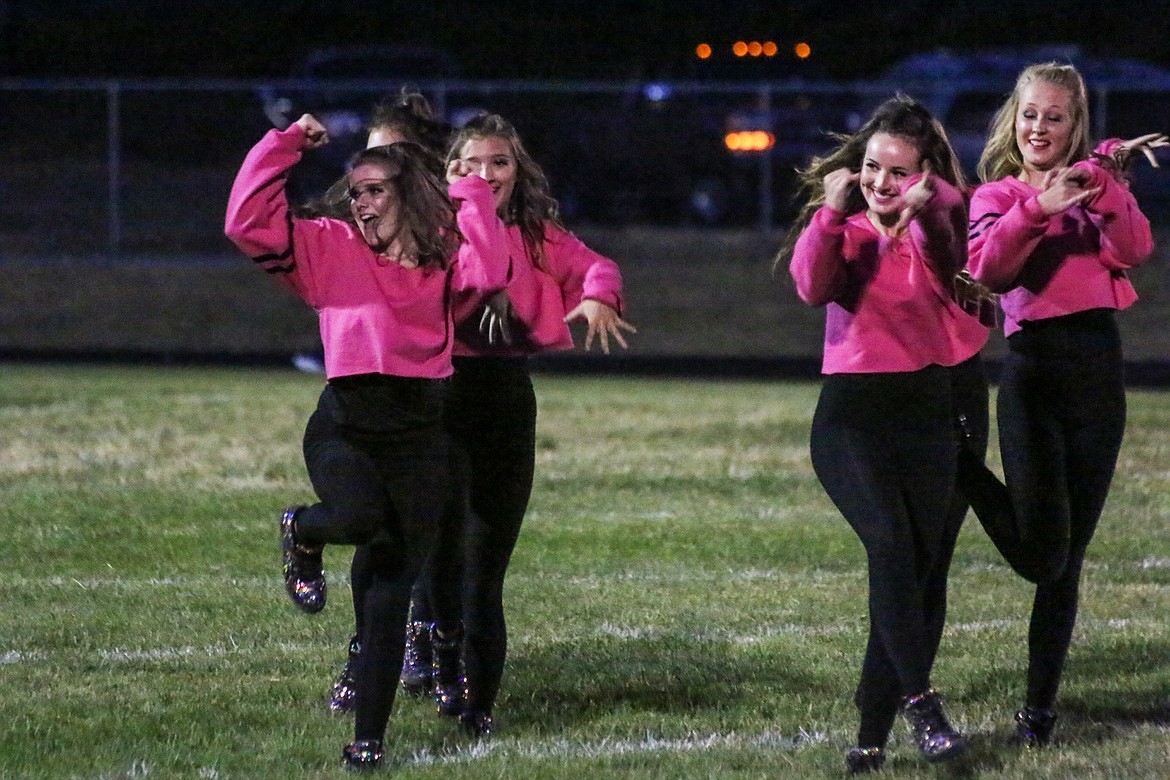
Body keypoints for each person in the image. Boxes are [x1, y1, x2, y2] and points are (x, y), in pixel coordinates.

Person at [224, 113, 509, 771]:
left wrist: (466, 189)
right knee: (357, 518)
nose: (362, 202)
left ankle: (369, 740)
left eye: (376, 190)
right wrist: (283, 143)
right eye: (356, 192)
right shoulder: (330, 246)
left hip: (419, 436)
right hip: (346, 427)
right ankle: (303, 529)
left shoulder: (444, 251)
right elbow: (245, 224)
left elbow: (490, 272)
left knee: (387, 592)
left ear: (409, 195)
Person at [778, 94, 991, 774]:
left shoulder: (940, 220)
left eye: (897, 171)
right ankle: (922, 703)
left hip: (927, 415)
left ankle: (870, 738)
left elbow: (946, 243)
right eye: (872, 166)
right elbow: (811, 287)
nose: (880, 181)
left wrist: (928, 205)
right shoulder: (842, 226)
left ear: (924, 173)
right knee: (892, 549)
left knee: (918, 578)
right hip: (854, 420)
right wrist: (832, 211)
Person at [959, 61, 1164, 748]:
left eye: (1055, 116)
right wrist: (1038, 208)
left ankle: (1038, 712)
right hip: (1032, 374)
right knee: (1041, 556)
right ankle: (962, 470)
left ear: (1076, 124)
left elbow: (1134, 248)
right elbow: (988, 271)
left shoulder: (1097, 185)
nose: (1040, 127)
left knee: (1065, 563)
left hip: (1097, 373)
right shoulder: (995, 194)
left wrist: (1102, 183)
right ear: (1013, 121)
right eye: (1030, 114)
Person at [425, 111, 634, 736]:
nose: (487, 175)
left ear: (518, 173)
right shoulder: (434, 229)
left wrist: (598, 294)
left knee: (485, 565)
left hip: (503, 399)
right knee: (439, 555)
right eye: (473, 163)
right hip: (436, 397)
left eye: (501, 163)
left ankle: (478, 708)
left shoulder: (537, 235)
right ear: (450, 169)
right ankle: (439, 646)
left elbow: (598, 266)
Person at [320, 90, 457, 714]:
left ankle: (439, 647)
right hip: (386, 399)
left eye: (386, 159)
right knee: (381, 529)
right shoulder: (362, 231)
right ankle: (368, 649)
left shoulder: (454, 221)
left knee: (445, 530)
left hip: (451, 391)